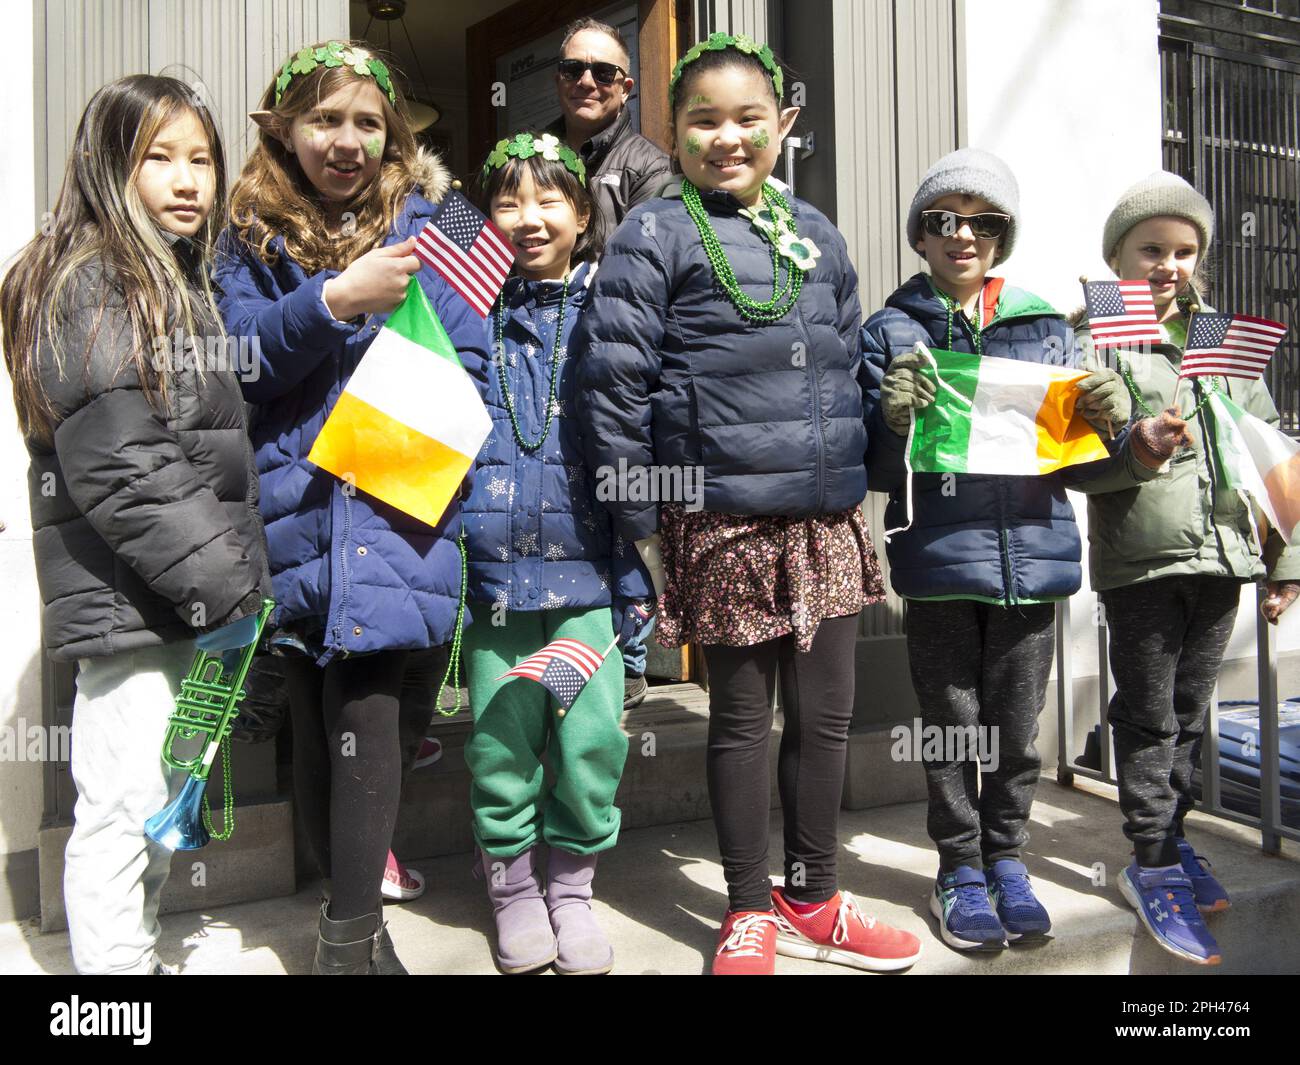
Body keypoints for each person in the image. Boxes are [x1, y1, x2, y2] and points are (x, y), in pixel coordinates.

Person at [575, 33, 922, 976]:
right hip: (721, 518)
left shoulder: (820, 231)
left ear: (785, 127)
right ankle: (743, 909)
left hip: (827, 521)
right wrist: (642, 523)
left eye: (748, 119)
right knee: (739, 720)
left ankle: (812, 895)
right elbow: (611, 384)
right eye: (703, 121)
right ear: (673, 134)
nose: (727, 137)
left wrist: (883, 443)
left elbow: (849, 371)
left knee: (828, 720)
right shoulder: (653, 232)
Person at [214, 39, 484, 974]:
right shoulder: (244, 238)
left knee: (378, 714)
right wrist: (331, 300)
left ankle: (343, 933)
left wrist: (417, 431)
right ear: (282, 129)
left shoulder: (435, 227)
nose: (347, 140)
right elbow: (237, 367)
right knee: (318, 719)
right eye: (325, 119)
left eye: (368, 123)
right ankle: (356, 931)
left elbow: (472, 358)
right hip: (294, 521)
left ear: (394, 137)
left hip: (398, 508)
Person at [1, 75, 271, 974]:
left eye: (201, 158)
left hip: (172, 594)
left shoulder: (169, 279)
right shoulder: (93, 279)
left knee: (155, 800)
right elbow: (119, 456)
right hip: (139, 601)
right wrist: (227, 585)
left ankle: (133, 965)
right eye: (159, 157)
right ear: (106, 165)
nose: (188, 179)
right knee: (120, 808)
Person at [860, 148, 1157, 952]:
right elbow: (876, 469)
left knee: (1017, 729)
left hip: (1033, 556)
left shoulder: (1047, 327)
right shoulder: (888, 329)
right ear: (920, 234)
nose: (965, 236)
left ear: (1004, 237)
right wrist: (890, 419)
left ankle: (1009, 860)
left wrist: (1112, 413)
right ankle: (959, 868)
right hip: (939, 557)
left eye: (985, 222)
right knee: (951, 724)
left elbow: (1089, 463)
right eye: (945, 220)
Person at [1077, 172, 1300, 965]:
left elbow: (1272, 451)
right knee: (1149, 713)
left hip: (1227, 554)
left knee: (1191, 708)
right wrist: (1132, 442)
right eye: (1149, 250)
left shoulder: (1224, 341)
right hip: (1141, 560)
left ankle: (1172, 833)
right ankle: (1151, 860)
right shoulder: (1098, 338)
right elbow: (1071, 462)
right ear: (1117, 258)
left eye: (1182, 250)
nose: (1167, 264)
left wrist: (1287, 559)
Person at [461, 130, 654, 975]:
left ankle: (571, 889)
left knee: (586, 746)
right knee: (501, 743)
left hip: (585, 581)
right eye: (506, 201)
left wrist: (638, 582)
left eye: (549, 201)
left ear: (583, 214)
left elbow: (639, 444)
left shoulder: (614, 313)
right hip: (494, 584)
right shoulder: (465, 314)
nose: (528, 218)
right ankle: (510, 891)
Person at [549, 17, 669, 708]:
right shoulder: (533, 149)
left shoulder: (648, 165)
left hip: (619, 367)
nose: (586, 81)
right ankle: (568, 658)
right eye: (573, 69)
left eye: (602, 72)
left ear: (626, 87)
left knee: (624, 506)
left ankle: (626, 668)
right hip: (539, 359)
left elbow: (639, 270)